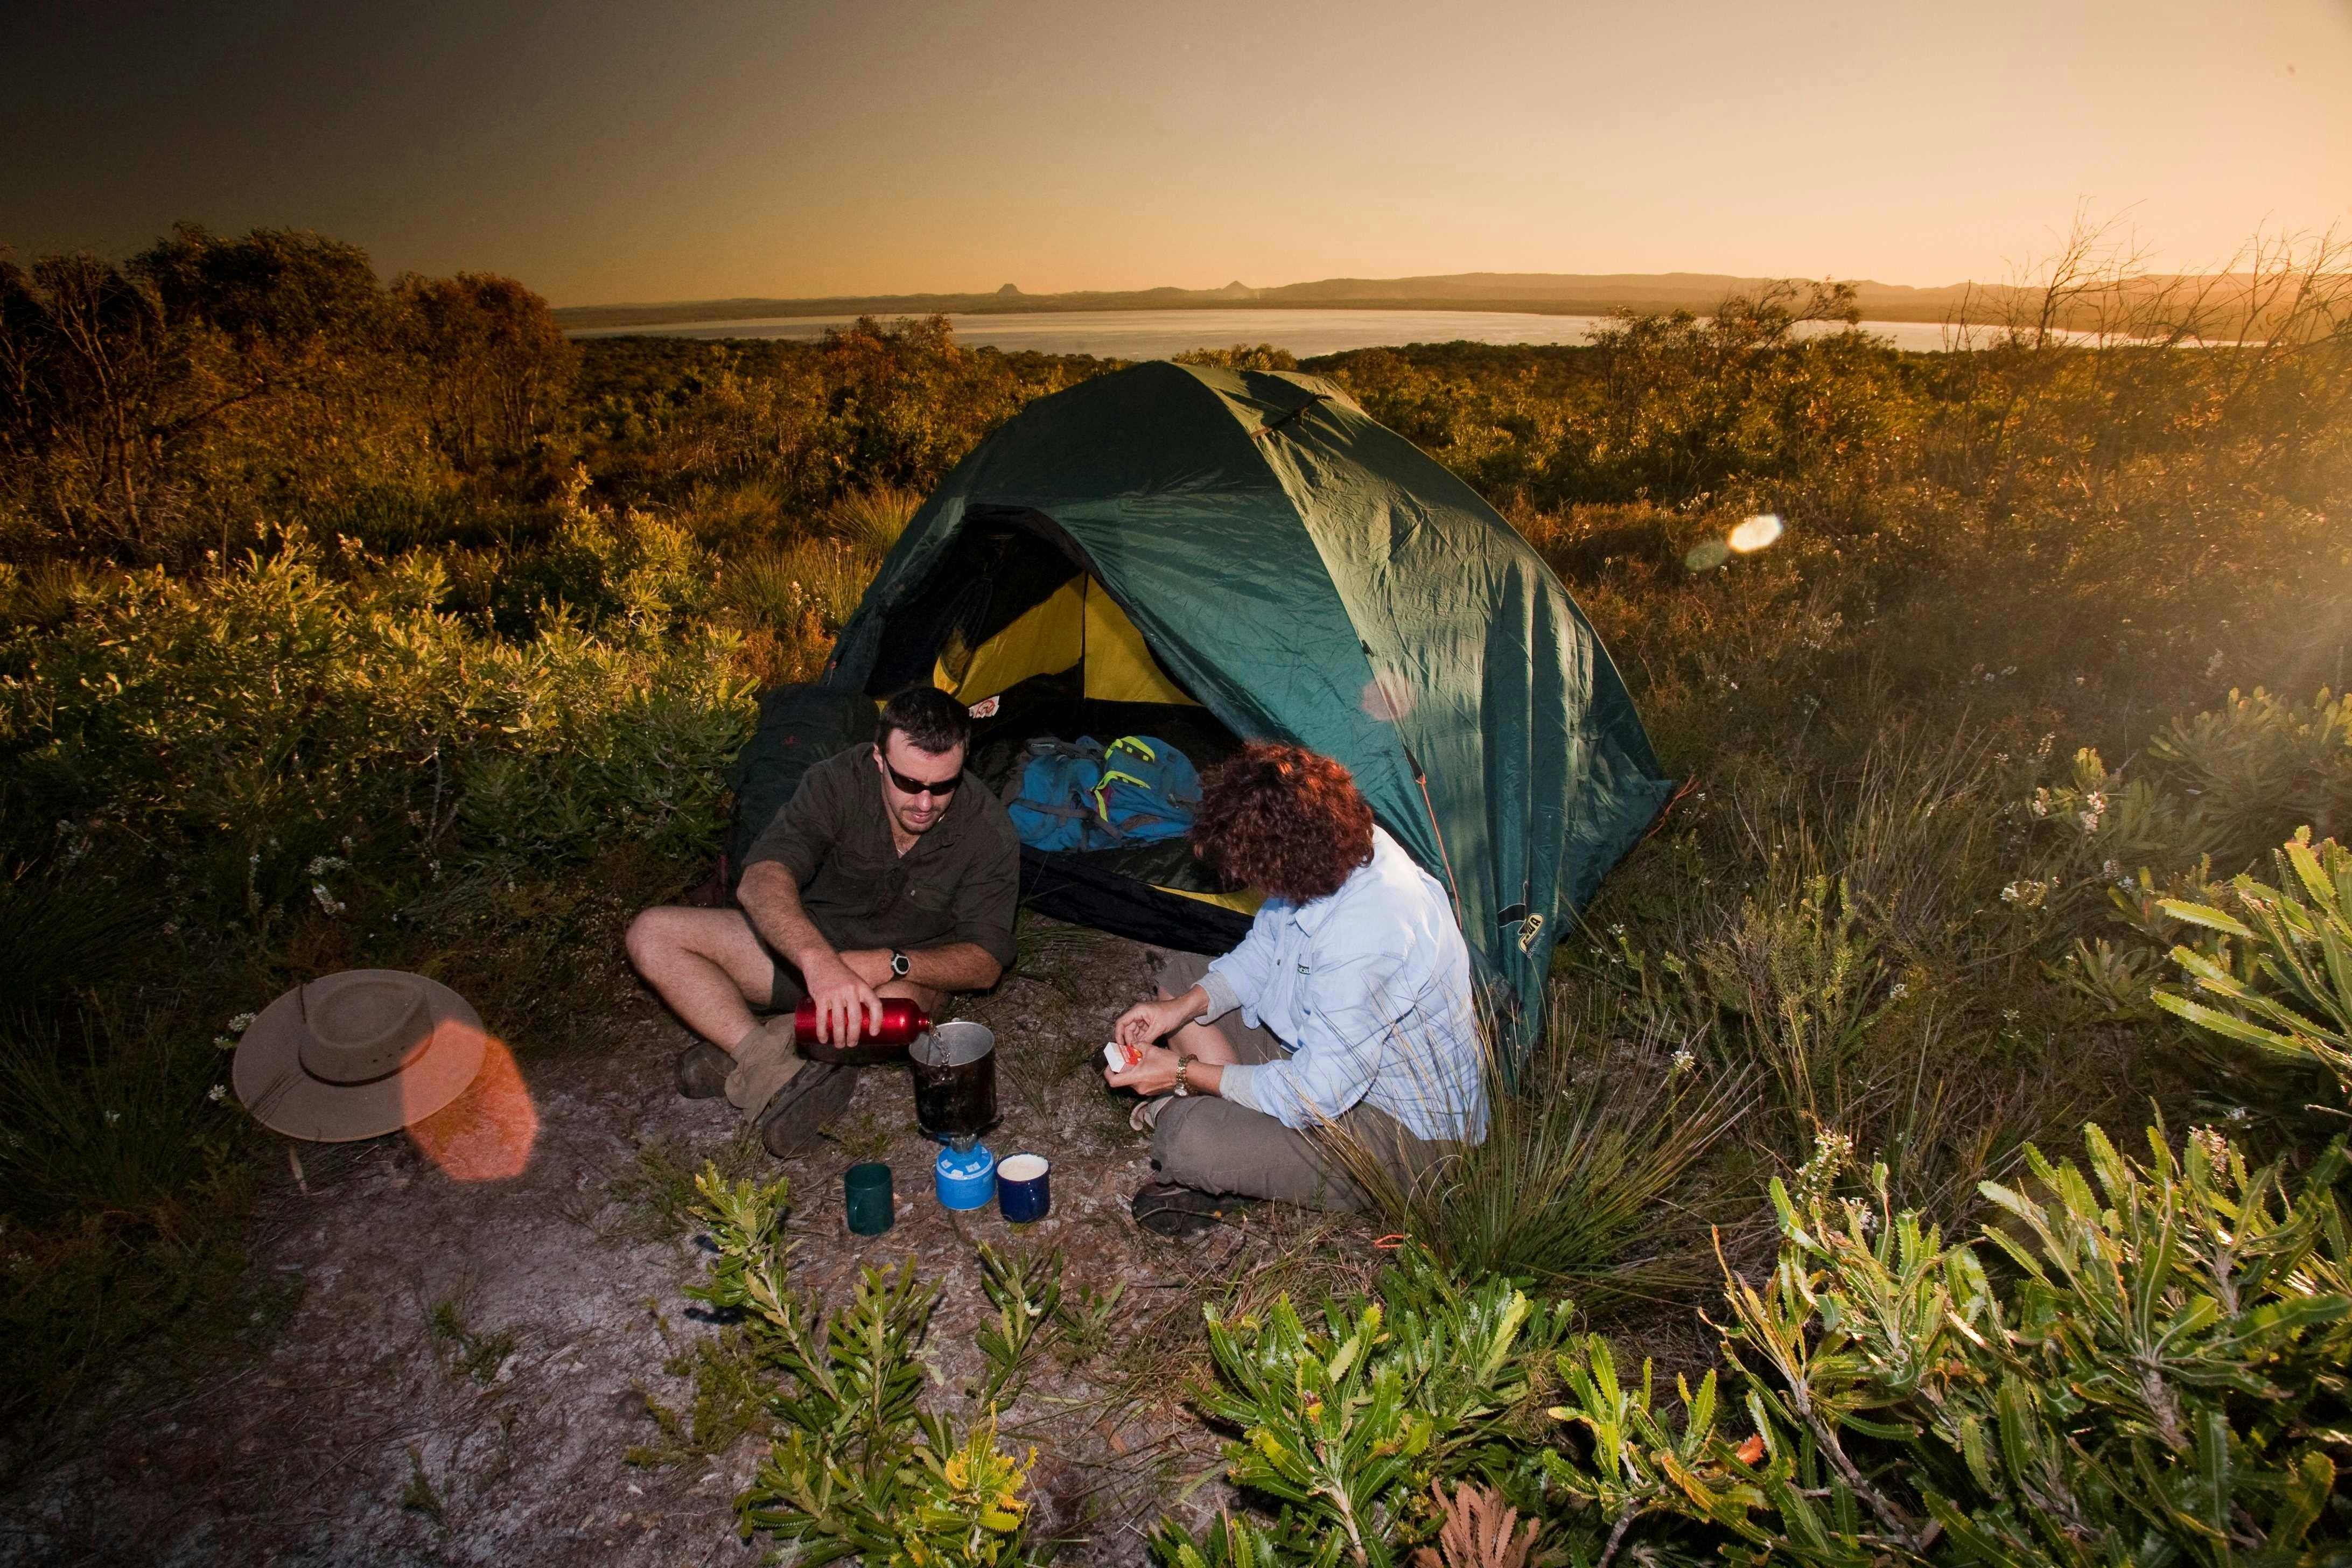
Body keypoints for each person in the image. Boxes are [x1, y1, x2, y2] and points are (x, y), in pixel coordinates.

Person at [1105, 743, 1487, 1237]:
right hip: (1323, 1058)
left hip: (1401, 1136)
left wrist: (1182, 1071)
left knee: (1186, 1140)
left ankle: (1224, 1136)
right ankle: (1240, 1124)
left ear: (1287, 865)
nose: (1252, 886)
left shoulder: (1372, 930)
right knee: (1183, 979)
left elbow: (1316, 1093)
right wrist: (1180, 1010)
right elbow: (1264, 953)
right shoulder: (1341, 846)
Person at [626, 686, 1019, 1155]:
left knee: (902, 1006)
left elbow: (986, 960)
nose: (925, 803)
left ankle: (756, 1049)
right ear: (879, 759)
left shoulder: (988, 830)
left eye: (943, 785)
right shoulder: (835, 782)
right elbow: (762, 879)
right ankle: (768, 1057)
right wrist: (817, 961)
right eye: (909, 783)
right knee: (652, 934)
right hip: (801, 956)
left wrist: (893, 962)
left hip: (893, 983)